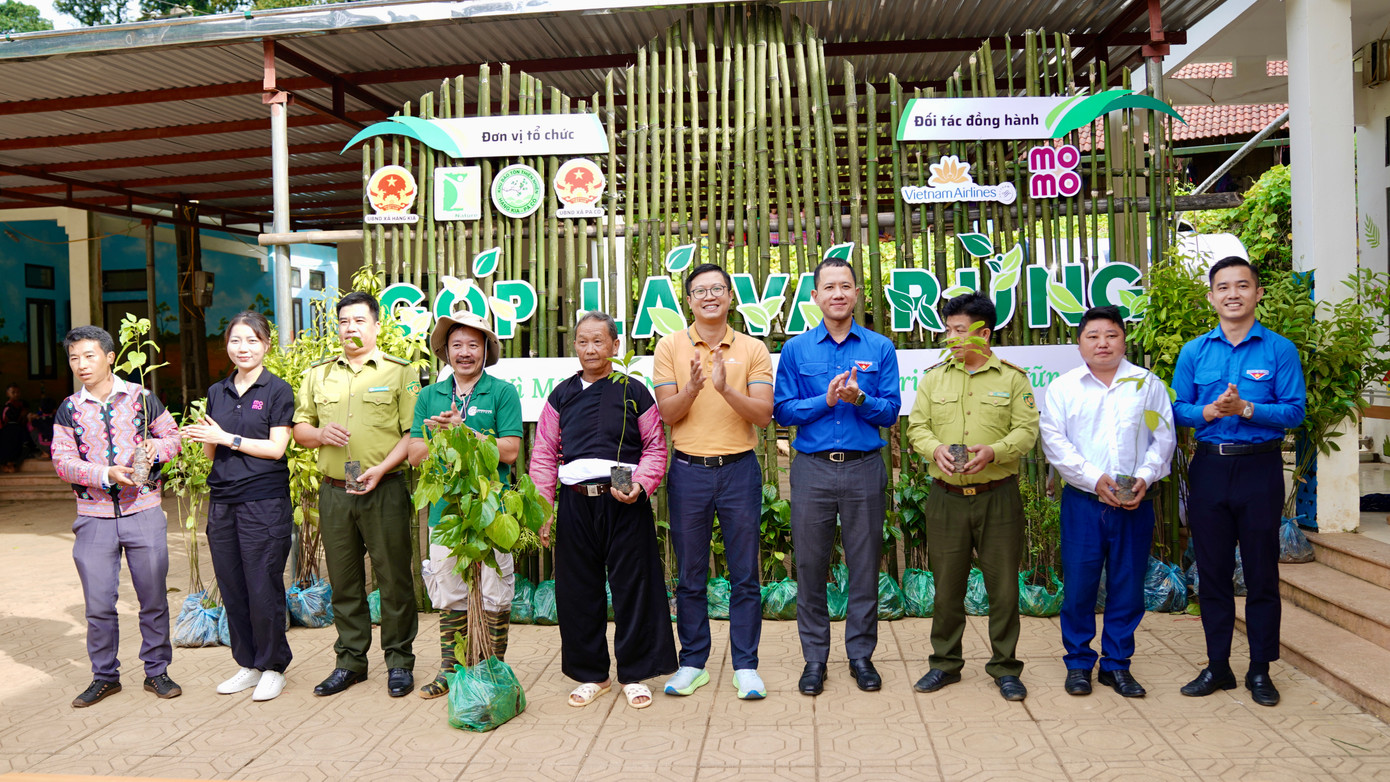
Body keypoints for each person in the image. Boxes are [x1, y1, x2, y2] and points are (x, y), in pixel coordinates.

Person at [1171, 256, 1305, 707]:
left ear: (1257, 293)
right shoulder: (1194, 352)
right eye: (1223, 287)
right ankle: (1218, 666)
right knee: (1212, 574)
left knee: (1262, 573)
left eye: (1242, 285)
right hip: (1209, 467)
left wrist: (1247, 408)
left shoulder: (1279, 350)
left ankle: (1261, 669)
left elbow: (1295, 411)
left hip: (1259, 469)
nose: (1233, 294)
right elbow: (1177, 408)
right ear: (1211, 297)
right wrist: (1209, 412)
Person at [529, 311, 677, 710]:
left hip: (624, 501)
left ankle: (635, 673)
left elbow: (655, 447)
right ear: (574, 346)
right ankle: (592, 674)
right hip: (576, 502)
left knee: (635, 587)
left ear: (615, 346)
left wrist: (642, 485)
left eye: (598, 341)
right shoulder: (561, 394)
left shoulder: (634, 391)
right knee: (578, 591)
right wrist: (544, 509)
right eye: (582, 341)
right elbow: (543, 453)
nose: (590, 349)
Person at [773, 258, 901, 697]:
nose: (838, 294)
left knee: (864, 564)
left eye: (846, 286)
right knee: (810, 565)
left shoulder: (881, 348)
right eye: (829, 287)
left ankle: (861, 656)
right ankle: (815, 659)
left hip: (865, 467)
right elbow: (783, 411)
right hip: (812, 469)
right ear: (815, 296)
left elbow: (890, 411)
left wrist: (860, 397)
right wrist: (825, 401)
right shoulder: (796, 350)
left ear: (857, 293)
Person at [905, 292, 1038, 702]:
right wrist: (934, 450)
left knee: (1003, 589)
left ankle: (1005, 667)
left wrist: (994, 452)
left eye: (960, 330)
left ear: (984, 332)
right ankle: (945, 663)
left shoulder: (1013, 379)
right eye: (949, 330)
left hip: (998, 496)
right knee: (947, 586)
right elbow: (917, 427)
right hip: (946, 497)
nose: (952, 338)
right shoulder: (934, 377)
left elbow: (1027, 431)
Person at [1039, 306, 1175, 699]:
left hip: (1135, 502)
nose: (1102, 343)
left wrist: (1146, 478)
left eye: (1111, 335)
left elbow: (1162, 438)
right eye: (1093, 336)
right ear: (1079, 342)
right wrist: (1094, 478)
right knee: (1080, 586)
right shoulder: (1064, 387)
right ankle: (1079, 663)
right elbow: (1055, 443)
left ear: (1123, 340)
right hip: (1084, 502)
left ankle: (1117, 665)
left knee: (1127, 586)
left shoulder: (1147, 384)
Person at [653, 263, 774, 700]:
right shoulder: (669, 347)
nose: (709, 296)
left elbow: (763, 414)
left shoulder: (752, 348)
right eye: (700, 290)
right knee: (690, 574)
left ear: (730, 296)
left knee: (745, 574)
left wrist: (724, 389)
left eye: (717, 289)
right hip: (689, 470)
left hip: (739, 470)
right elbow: (667, 415)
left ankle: (746, 665)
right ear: (689, 300)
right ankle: (693, 662)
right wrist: (693, 388)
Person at [292, 291, 421, 698]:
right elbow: (300, 428)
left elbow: (412, 434)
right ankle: (350, 661)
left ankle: (399, 661)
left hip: (385, 489)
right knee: (345, 582)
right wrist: (318, 434)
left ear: (377, 325)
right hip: (335, 493)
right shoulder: (318, 374)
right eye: (344, 321)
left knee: (395, 579)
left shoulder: (399, 373)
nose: (351, 328)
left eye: (359, 321)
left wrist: (382, 469)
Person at [52, 325, 183, 707]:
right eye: (74, 358)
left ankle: (157, 671)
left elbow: (173, 437)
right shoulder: (68, 409)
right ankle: (105, 676)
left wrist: (152, 450)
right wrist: (103, 473)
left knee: (153, 597)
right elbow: (62, 462)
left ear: (110, 357)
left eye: (89, 355)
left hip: (143, 511)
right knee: (98, 605)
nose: (81, 364)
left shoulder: (142, 398)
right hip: (92, 518)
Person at [407, 312, 523, 699]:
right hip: (445, 513)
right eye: (457, 345)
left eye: (474, 344)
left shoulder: (502, 392)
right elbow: (413, 454)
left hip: (491, 509)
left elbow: (509, 451)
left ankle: (492, 669)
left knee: (493, 592)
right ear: (445, 352)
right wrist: (439, 438)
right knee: (450, 593)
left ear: (487, 350)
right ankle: (450, 671)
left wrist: (464, 431)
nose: (465, 352)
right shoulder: (429, 396)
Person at [183, 311, 296, 702]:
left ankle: (273, 666)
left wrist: (226, 436)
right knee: (232, 586)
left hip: (263, 502)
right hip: (223, 502)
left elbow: (276, 448)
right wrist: (202, 436)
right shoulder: (218, 391)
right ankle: (247, 663)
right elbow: (212, 451)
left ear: (266, 345)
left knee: (263, 585)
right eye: (235, 340)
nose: (243, 348)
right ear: (227, 345)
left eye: (251, 340)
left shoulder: (278, 390)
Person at [1, 384, 28, 471]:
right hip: (8, 431)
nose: (16, 394)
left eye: (17, 392)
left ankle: (12, 463)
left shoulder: (22, 405)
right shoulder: (7, 407)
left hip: (19, 431)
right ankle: (7, 464)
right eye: (13, 392)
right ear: (7, 394)